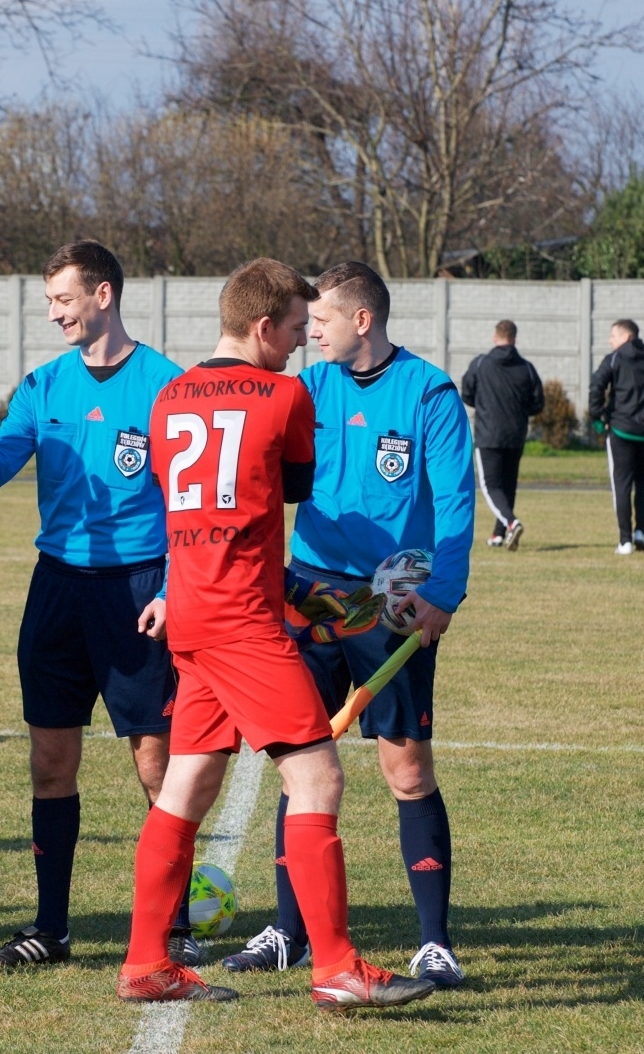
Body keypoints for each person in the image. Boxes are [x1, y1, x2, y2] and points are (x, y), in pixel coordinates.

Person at [117, 257, 435, 1011]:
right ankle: (336, 966)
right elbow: (293, 489)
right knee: (318, 778)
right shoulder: (284, 394)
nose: (301, 341)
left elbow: (203, 511)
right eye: (295, 327)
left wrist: (334, 600)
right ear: (264, 326)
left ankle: (144, 962)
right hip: (242, 625)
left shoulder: (167, 398)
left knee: (187, 784)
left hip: (191, 614)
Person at [0, 240, 195, 969]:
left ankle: (172, 925)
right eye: (50, 301)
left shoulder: (168, 386)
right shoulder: (44, 384)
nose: (54, 313)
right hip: (56, 589)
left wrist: (178, 582)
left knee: (156, 764)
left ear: (103, 295)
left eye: (63, 299)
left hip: (138, 590)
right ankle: (49, 929)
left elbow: (188, 498)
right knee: (50, 763)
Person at [222, 261, 475, 990]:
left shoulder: (427, 391)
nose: (310, 333)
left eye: (322, 320)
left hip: (391, 604)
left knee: (406, 768)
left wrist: (444, 592)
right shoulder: (305, 390)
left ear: (361, 320)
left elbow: (456, 502)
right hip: (309, 594)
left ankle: (435, 942)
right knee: (300, 764)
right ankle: (288, 930)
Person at [589, 320, 644, 555]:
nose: (610, 341)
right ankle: (641, 531)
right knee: (643, 483)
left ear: (626, 337)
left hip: (620, 431)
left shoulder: (614, 359)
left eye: (613, 336)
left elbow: (596, 386)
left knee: (621, 484)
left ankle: (625, 541)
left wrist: (598, 419)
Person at [461, 319, 543, 550]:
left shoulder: (480, 364)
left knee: (490, 485)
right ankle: (498, 535)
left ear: (495, 338)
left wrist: (484, 406)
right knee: (508, 486)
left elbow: (467, 393)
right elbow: (538, 403)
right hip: (516, 435)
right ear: (514, 339)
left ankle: (510, 522)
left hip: (488, 435)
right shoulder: (526, 367)